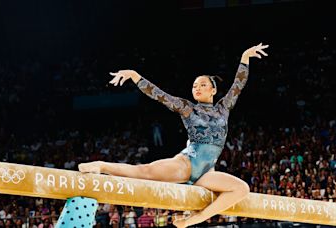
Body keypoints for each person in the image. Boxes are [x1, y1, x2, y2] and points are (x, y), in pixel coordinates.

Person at [79, 43, 269, 228]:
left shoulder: (223, 108)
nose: (197, 88)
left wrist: (245, 58)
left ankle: (194, 220)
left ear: (214, 90)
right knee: (144, 173)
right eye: (195, 85)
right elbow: (161, 96)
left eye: (203, 85)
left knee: (242, 189)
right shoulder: (188, 109)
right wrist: (135, 76)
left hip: (207, 172)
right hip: (186, 164)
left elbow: (238, 86)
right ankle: (102, 166)